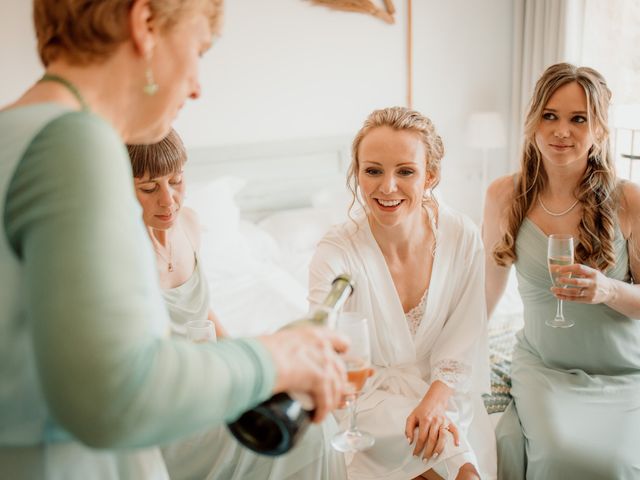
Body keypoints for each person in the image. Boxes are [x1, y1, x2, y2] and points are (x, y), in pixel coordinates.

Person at [0, 1, 349, 478]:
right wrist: (276, 356)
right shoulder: (74, 144)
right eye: (199, 49)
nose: (198, 85)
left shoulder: (13, 131)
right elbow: (116, 394)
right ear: (145, 24)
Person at [127, 129, 347, 479]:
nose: (168, 200)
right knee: (294, 434)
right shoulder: (124, 254)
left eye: (177, 181)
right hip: (169, 398)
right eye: (149, 188)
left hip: (211, 374)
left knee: (310, 424)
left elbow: (203, 312)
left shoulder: (190, 223)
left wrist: (247, 363)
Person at [308, 106, 496, 480]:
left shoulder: (461, 236)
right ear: (357, 172)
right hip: (367, 401)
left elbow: (465, 334)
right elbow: (321, 328)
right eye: (373, 170)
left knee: (464, 471)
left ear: (431, 176)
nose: (387, 187)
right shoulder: (336, 251)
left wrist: (434, 403)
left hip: (442, 390)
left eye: (405, 171)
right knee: (446, 467)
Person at [484, 62, 640, 479]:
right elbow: (485, 290)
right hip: (544, 368)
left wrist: (609, 291)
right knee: (557, 455)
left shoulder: (630, 201)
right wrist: (444, 351)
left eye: (579, 119)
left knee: (613, 464)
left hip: (624, 373)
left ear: (600, 131)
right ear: (533, 121)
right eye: (550, 115)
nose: (561, 131)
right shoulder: (504, 195)